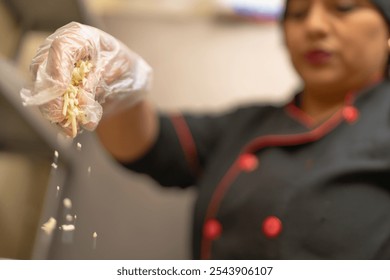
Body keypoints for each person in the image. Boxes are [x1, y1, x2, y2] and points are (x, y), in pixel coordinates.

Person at [21, 0, 390, 259]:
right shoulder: (248, 124)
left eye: (343, 7)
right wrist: (120, 85)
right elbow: (150, 145)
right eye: (297, 13)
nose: (314, 26)